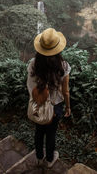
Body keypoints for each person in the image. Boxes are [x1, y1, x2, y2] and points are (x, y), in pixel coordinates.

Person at [27, 27, 71, 168]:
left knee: (39, 131)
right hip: (56, 106)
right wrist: (68, 107)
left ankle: (39, 157)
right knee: (51, 133)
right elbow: (66, 91)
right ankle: (50, 159)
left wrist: (38, 101)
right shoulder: (63, 66)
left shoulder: (34, 64)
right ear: (58, 48)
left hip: (38, 103)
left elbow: (30, 86)